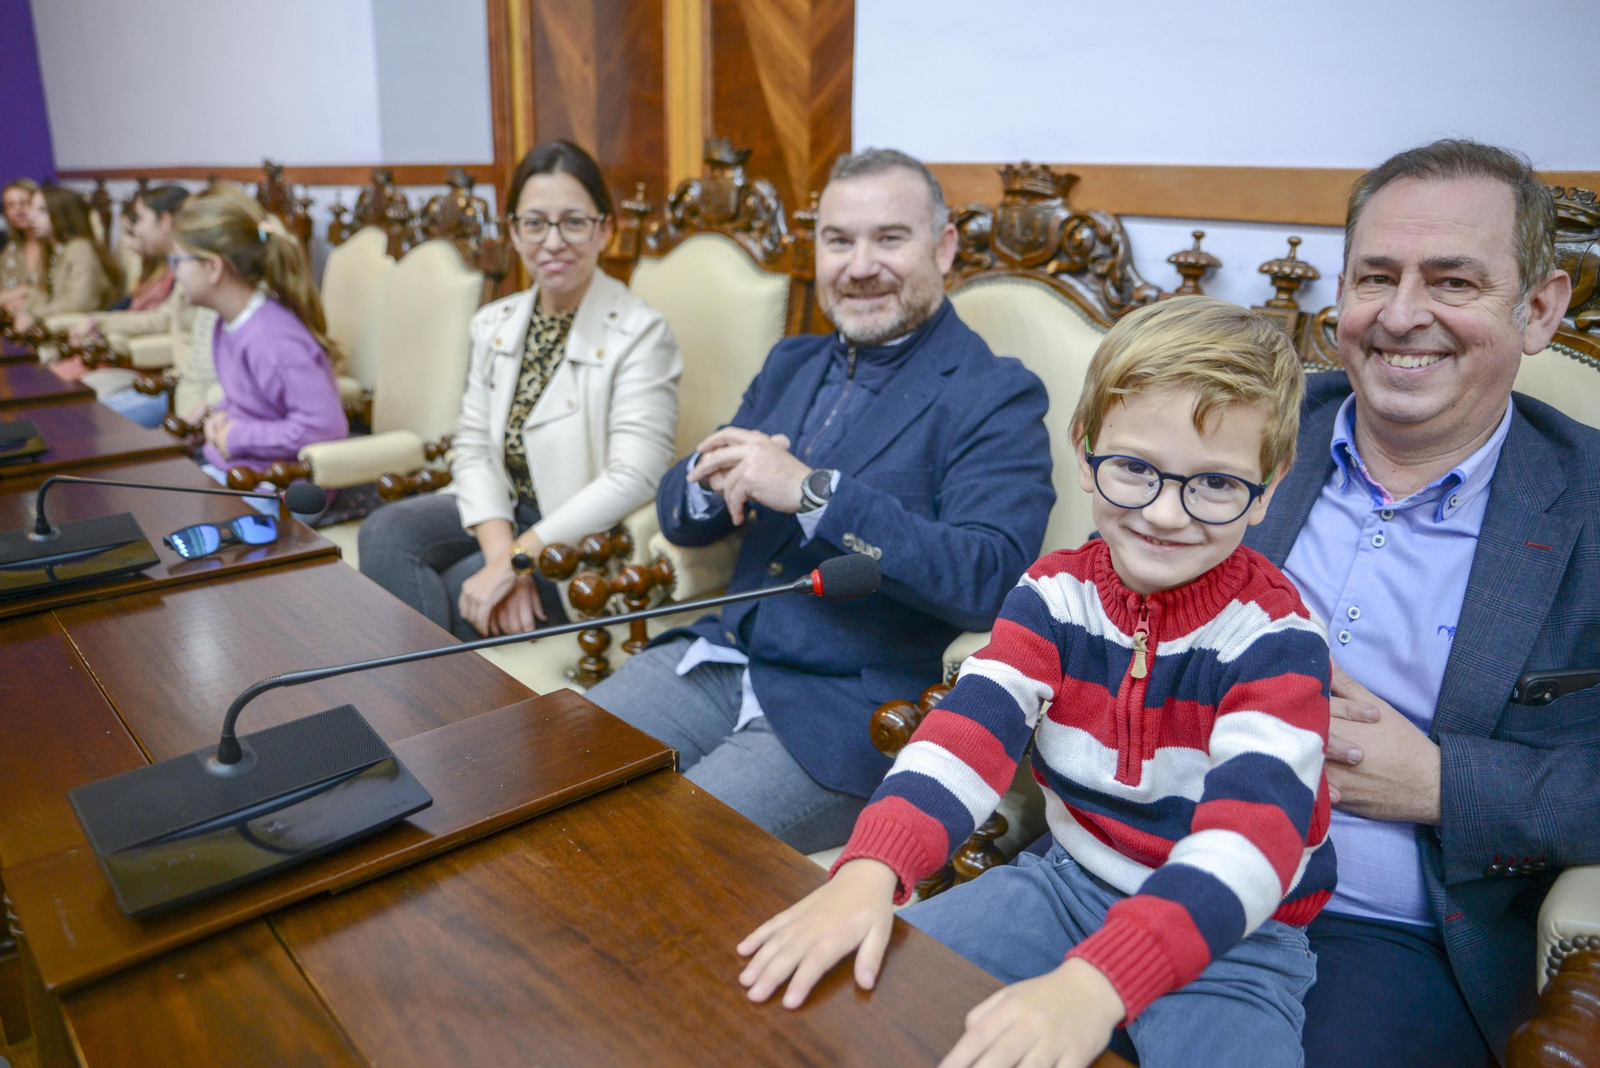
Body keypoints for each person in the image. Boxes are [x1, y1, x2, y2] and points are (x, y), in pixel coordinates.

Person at [737, 297, 1333, 1068]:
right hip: (1062, 886)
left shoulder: (1277, 641)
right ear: (1085, 452)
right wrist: (870, 871)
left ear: (1272, 483)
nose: (1163, 513)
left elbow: (1251, 847)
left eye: (1215, 485)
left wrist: (1098, 983)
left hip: (1238, 941)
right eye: (1132, 468)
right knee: (870, 1004)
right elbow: (965, 735)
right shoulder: (1053, 594)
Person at [582, 148, 1056, 853]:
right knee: (551, 770)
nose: (860, 265)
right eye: (839, 240)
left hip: (844, 712)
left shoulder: (994, 394)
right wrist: (710, 481)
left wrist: (812, 494)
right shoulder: (792, 362)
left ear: (945, 246)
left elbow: (986, 577)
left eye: (890, 238)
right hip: (718, 659)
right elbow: (682, 516)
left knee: (655, 852)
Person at [1238, 139, 1598, 1066]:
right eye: (1375, 278)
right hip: (1138, 859)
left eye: (1452, 282)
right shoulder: (1245, 431)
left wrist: (1446, 785)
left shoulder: (1588, 502)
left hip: (1387, 936)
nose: (1402, 316)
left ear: (1542, 309)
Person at [359, 141, 682, 640]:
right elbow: (471, 447)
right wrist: (507, 561)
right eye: (534, 223)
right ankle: (431, 707)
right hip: (505, 513)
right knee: (383, 532)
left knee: (453, 593)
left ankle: (429, 711)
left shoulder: (641, 333)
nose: (553, 241)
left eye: (574, 222)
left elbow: (636, 476)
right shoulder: (495, 322)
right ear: (513, 231)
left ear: (605, 230)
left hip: (577, 533)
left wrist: (524, 559)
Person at [168, 184, 347, 487]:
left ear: (213, 267)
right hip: (241, 471)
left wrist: (236, 435)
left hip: (284, 486)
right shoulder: (226, 324)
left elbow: (323, 427)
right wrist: (222, 414)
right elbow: (254, 402)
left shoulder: (272, 339)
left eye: (177, 262)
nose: (173, 273)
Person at [50, 185, 195, 427]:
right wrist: (98, 321)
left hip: (178, 389)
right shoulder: (179, 267)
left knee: (83, 424)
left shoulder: (191, 272)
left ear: (166, 221)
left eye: (140, 220)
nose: (136, 231)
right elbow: (160, 317)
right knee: (69, 416)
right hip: (177, 384)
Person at [2, 186, 119, 330]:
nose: (31, 216)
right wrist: (23, 311)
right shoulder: (52, 249)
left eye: (42, 210)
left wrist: (34, 315)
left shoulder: (79, 249)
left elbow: (80, 302)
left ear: (63, 214)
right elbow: (40, 292)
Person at [0, 178, 42, 294]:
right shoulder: (10, 247)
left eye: (24, 203)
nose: (17, 210)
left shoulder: (54, 243)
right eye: (10, 205)